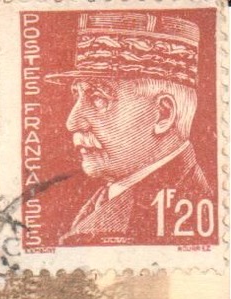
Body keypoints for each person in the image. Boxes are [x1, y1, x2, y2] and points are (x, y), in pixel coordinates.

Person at [46, 12, 214, 244]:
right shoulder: (115, 197)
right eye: (77, 94)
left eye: (98, 98)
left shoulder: (177, 210)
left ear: (163, 114)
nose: (73, 122)